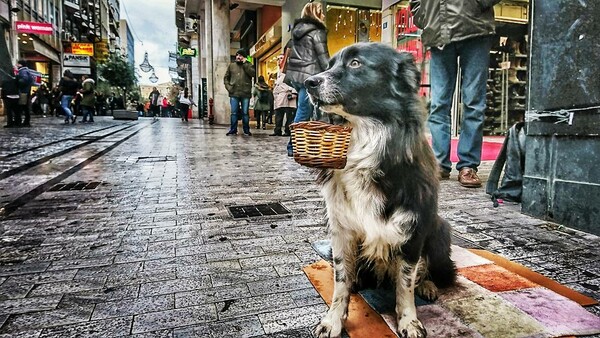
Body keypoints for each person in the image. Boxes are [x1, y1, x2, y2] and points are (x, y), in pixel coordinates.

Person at [410, 0, 501, 187]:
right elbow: (416, 3)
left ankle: (468, 165)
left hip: (474, 26)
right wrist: (426, 17)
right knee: (439, 103)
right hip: (438, 31)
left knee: (474, 102)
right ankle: (439, 163)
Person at [284, 1, 330, 156]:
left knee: (308, 111)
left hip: (297, 77)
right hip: (310, 77)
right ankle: (293, 146)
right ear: (315, 13)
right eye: (321, 11)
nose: (323, 14)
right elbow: (323, 57)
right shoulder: (317, 31)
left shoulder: (298, 32)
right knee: (304, 111)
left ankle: (308, 145)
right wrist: (332, 72)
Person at [224, 48, 255, 136]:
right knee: (234, 112)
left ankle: (246, 130)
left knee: (245, 113)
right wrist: (229, 87)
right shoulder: (232, 66)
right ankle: (233, 129)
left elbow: (252, 74)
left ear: (244, 57)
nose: (238, 57)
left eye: (240, 55)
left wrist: (245, 63)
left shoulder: (249, 65)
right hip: (234, 92)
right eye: (237, 55)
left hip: (245, 93)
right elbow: (226, 78)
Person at [271, 54, 297, 137]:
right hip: (279, 96)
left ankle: (287, 131)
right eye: (278, 59)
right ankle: (277, 130)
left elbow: (295, 81)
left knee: (289, 115)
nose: (279, 60)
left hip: (287, 95)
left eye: (281, 58)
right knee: (278, 115)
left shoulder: (291, 70)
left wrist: (293, 93)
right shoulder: (278, 71)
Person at [15, 60, 34, 127]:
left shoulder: (23, 71)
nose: (16, 65)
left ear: (21, 65)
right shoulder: (27, 71)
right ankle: (26, 121)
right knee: (25, 107)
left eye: (18, 64)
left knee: (21, 107)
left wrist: (17, 80)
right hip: (26, 91)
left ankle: (22, 122)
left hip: (23, 92)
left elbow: (24, 80)